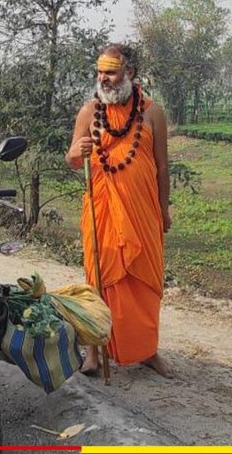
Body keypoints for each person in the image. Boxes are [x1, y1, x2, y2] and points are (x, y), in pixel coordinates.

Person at [64, 43, 174, 379]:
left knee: (145, 283)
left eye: (110, 72)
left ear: (130, 73)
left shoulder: (152, 113)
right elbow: (72, 161)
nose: (104, 79)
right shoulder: (89, 112)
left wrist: (164, 209)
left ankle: (147, 350)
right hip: (103, 215)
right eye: (100, 73)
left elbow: (162, 167)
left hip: (143, 214)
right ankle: (94, 353)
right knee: (100, 280)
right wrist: (76, 151)